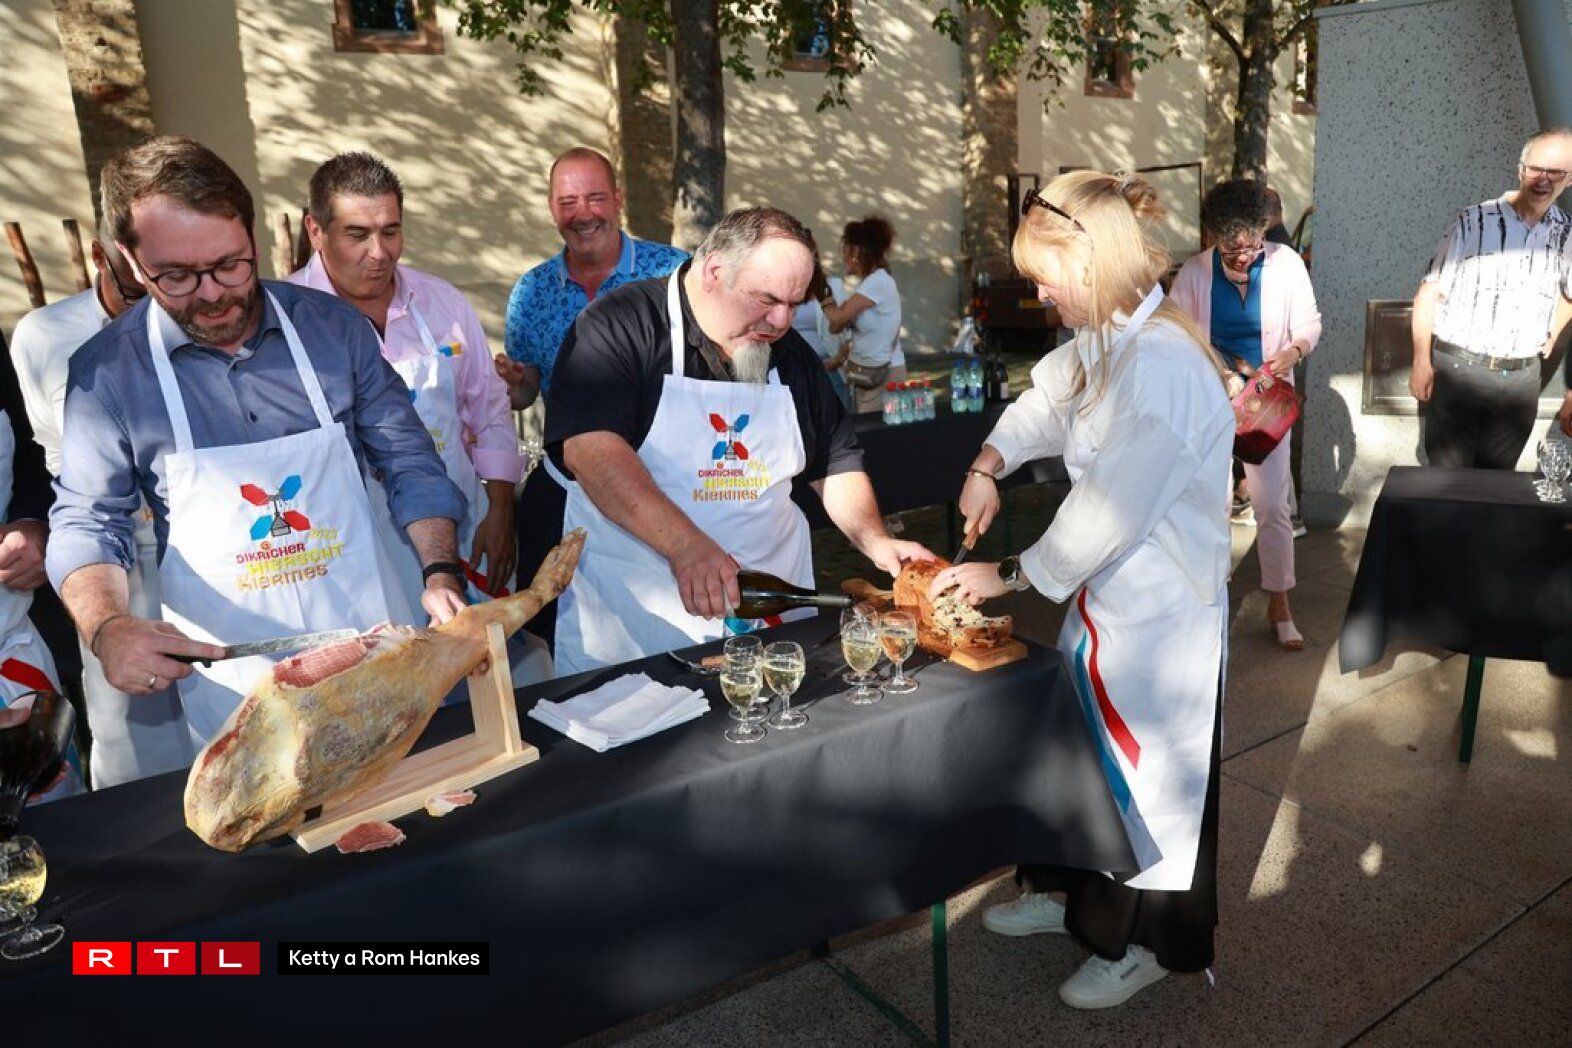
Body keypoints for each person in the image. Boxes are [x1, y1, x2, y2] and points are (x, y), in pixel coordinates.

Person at [45, 136, 466, 748]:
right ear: (132, 262)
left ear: (255, 240)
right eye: (177, 276)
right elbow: (87, 520)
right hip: (232, 673)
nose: (212, 293)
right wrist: (106, 626)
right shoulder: (107, 374)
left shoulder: (332, 331)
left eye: (230, 265)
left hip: (366, 642)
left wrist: (440, 570)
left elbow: (409, 459)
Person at [932, 172, 1234, 1009]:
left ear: (1090, 262)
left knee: (1148, 784)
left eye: (1044, 276)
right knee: (1080, 761)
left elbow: (1110, 509)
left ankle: (1142, 943)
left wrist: (1008, 574)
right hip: (1107, 606)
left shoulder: (1163, 362)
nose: (1038, 294)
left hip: (1161, 617)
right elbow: (1044, 403)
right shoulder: (1108, 338)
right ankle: (1068, 895)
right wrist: (987, 464)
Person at [545, 206, 932, 675]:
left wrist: (875, 539)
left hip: (771, 621)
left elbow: (835, 462)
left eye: (794, 304)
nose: (781, 321)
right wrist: (686, 546)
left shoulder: (791, 356)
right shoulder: (620, 326)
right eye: (767, 299)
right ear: (714, 271)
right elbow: (591, 451)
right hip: (641, 628)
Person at [9, 207, 197, 785]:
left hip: (201, 554)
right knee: (133, 747)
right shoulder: (43, 336)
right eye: (131, 293)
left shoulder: (196, 316)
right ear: (98, 257)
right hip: (109, 568)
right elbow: (45, 455)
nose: (148, 310)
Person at [497, 147, 687, 650]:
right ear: (552, 209)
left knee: (670, 626)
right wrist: (515, 383)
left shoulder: (672, 272)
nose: (583, 213)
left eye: (596, 198)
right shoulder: (532, 292)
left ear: (618, 200)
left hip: (664, 481)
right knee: (563, 631)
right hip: (569, 486)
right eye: (568, 202)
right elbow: (526, 393)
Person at [1170, 179, 1322, 651]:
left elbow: (1309, 323)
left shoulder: (1286, 263)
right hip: (1210, 400)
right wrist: (1220, 372)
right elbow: (1176, 334)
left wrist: (1293, 352)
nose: (1242, 256)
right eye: (1231, 248)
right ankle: (1209, 597)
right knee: (1209, 504)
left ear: (1263, 231)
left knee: (1272, 505)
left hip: (1267, 403)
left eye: (1251, 245)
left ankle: (1280, 601)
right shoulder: (1194, 272)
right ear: (1215, 236)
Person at [1411, 128, 1572, 469]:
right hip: (1459, 372)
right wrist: (1421, 360)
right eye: (1536, 169)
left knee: (1498, 485)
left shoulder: (1567, 234)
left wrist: (1552, 333)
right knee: (1447, 482)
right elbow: (1429, 291)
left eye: (1555, 172)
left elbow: (1569, 295)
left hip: (1521, 381)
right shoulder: (1474, 221)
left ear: (1569, 179)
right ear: (1521, 170)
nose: (1543, 179)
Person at [821, 216, 902, 414]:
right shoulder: (868, 283)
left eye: (844, 250)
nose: (843, 257)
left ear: (856, 252)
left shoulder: (877, 282)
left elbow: (838, 318)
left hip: (882, 374)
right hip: (869, 374)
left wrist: (821, 294)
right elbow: (836, 326)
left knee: (873, 431)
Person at [792, 240, 851, 409]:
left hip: (829, 367)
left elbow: (849, 331)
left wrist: (837, 360)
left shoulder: (832, 286)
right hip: (795, 369)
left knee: (839, 417)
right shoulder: (784, 288)